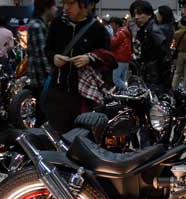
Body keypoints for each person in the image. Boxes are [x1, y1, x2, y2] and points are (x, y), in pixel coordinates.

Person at [44, 0, 110, 133]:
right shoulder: (57, 24)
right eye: (64, 3)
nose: (66, 7)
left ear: (83, 4)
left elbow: (107, 59)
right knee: (57, 134)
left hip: (83, 95)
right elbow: (47, 49)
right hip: (58, 91)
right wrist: (53, 57)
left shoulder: (98, 29)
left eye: (71, 3)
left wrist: (89, 58)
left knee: (81, 136)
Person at [131, 0, 172, 94]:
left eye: (140, 13)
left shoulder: (153, 30)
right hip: (149, 78)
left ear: (149, 14)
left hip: (155, 80)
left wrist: (166, 84)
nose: (136, 17)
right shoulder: (145, 30)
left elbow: (165, 57)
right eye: (134, 14)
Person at [27, 0, 57, 125]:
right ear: (46, 8)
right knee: (43, 115)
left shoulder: (40, 24)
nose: (56, 9)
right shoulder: (37, 26)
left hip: (41, 78)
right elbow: (42, 56)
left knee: (42, 113)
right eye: (54, 6)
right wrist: (51, 77)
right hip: (42, 79)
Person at [109, 17, 132, 90]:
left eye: (112, 24)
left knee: (116, 79)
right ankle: (124, 94)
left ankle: (128, 91)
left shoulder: (120, 33)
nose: (111, 26)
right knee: (122, 79)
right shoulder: (125, 31)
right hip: (125, 58)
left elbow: (112, 43)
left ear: (117, 25)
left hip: (120, 58)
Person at [172, 18, 186, 90]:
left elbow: (173, 45)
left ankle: (174, 87)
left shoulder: (176, 33)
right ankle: (185, 89)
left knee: (177, 72)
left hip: (180, 53)